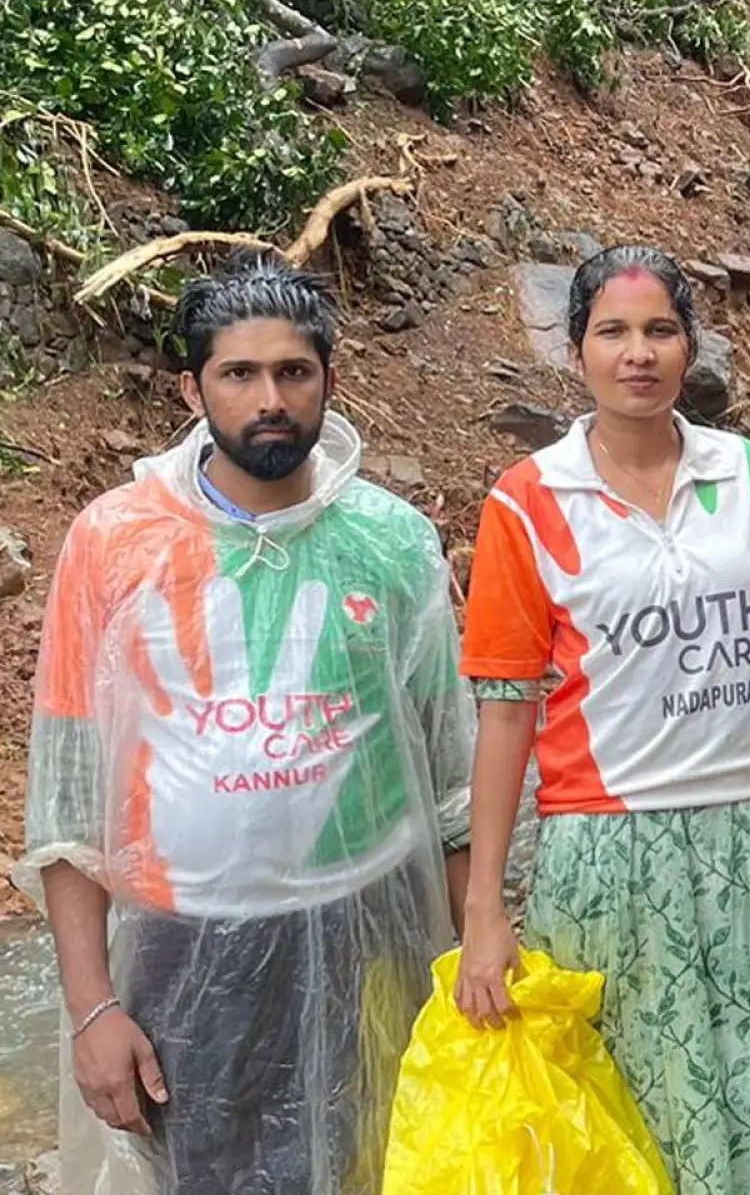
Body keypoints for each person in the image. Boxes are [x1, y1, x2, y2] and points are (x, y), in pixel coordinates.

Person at [12, 253, 474, 1193]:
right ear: (193, 387)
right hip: (183, 955)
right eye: (239, 373)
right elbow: (66, 804)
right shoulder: (115, 541)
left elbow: (452, 780)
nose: (271, 397)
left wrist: (470, 957)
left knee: (383, 1168)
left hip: (371, 927)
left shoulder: (391, 541)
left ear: (328, 382)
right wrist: (93, 1008)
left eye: (293, 372)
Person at [452, 245, 750, 1194]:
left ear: (689, 348)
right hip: (610, 854)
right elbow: (506, 712)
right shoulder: (526, 503)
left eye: (659, 330)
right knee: (645, 1113)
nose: (637, 353)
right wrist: (484, 913)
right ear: (576, 353)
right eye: (613, 332)